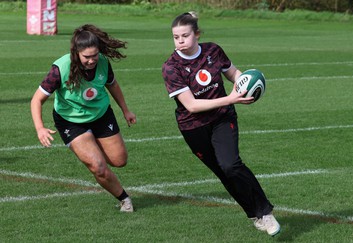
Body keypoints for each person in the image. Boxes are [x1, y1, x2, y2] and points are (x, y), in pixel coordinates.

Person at [162, 12, 280, 236]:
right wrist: (232, 98)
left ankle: (265, 211)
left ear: (197, 34)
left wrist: (244, 84)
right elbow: (192, 106)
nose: (180, 41)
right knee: (223, 173)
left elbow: (233, 72)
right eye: (175, 37)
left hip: (222, 118)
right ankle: (255, 215)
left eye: (185, 36)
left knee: (231, 165)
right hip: (193, 126)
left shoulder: (213, 51)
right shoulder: (171, 67)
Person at [31, 24, 136, 212]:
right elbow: (36, 100)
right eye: (87, 57)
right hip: (70, 121)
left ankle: (93, 146)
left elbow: (112, 85)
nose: (91, 60)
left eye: (94, 55)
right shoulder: (60, 68)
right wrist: (40, 128)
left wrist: (125, 110)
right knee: (98, 167)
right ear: (77, 53)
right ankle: (124, 199)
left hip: (101, 115)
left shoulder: (103, 62)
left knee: (120, 160)